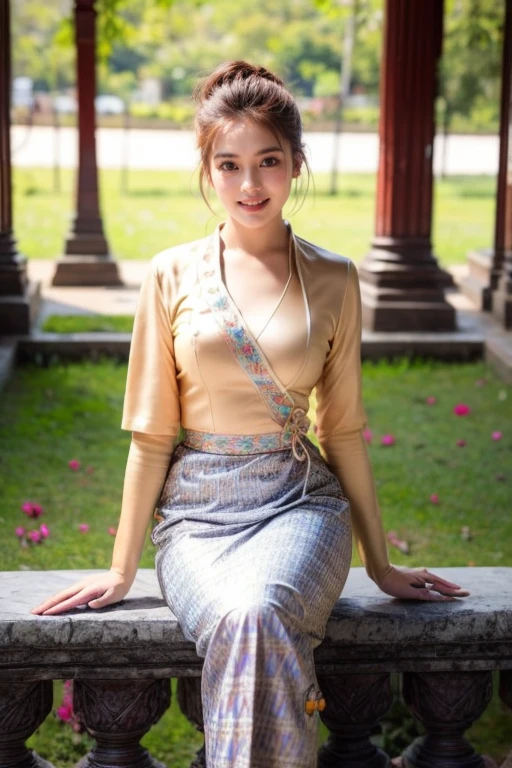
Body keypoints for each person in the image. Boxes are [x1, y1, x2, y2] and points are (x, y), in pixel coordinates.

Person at [31, 61, 469, 768]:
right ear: (208, 171)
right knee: (242, 618)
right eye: (229, 165)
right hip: (197, 515)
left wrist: (381, 567)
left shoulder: (333, 278)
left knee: (260, 610)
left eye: (268, 161)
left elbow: (344, 430)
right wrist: (119, 573)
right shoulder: (171, 275)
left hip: (299, 502)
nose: (250, 184)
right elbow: (152, 436)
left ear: (296, 163)